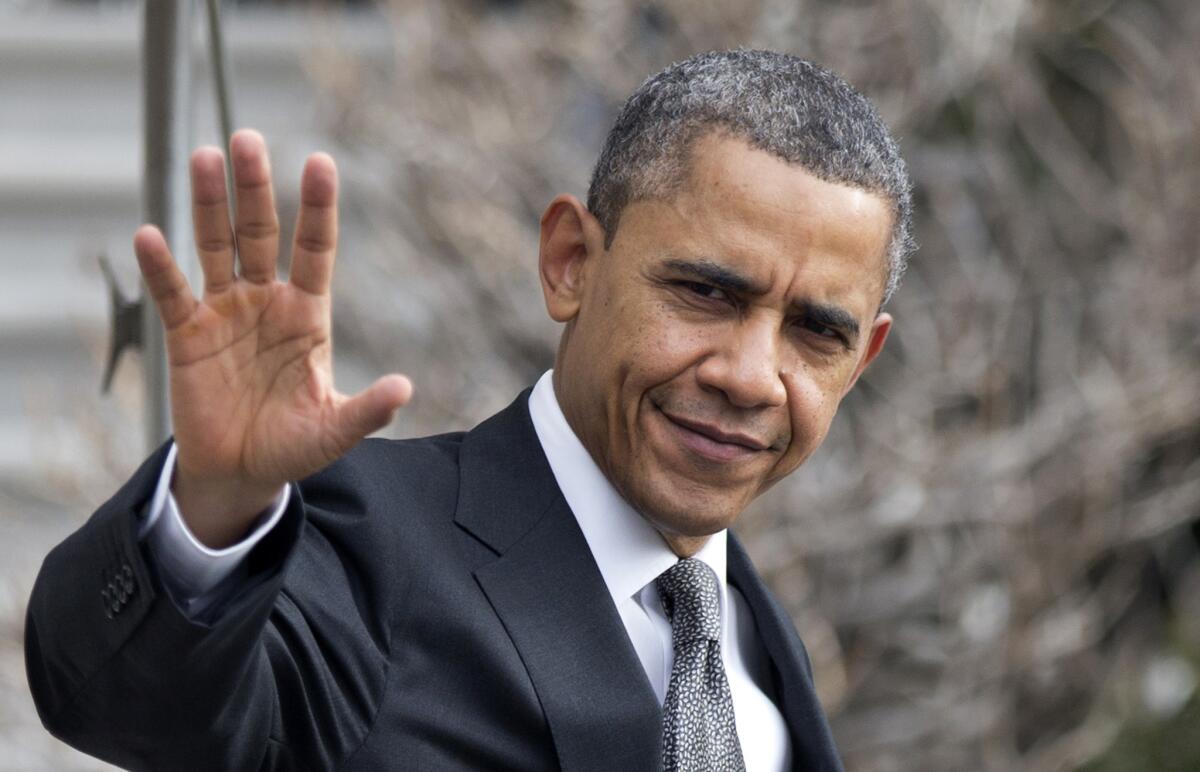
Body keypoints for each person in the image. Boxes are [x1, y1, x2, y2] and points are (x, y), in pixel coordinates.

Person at [25, 50, 912, 771]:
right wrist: (212, 506)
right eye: (707, 293)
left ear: (861, 359)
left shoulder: (760, 642)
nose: (752, 376)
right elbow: (126, 703)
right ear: (570, 262)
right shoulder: (363, 542)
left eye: (814, 332)